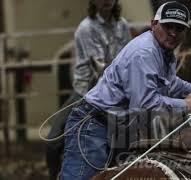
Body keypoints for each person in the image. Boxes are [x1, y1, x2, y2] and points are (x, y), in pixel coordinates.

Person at [60, 1, 191, 179]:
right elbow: (144, 105)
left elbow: (173, 83)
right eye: (168, 26)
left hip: (115, 126)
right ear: (154, 24)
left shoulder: (163, 52)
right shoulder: (144, 53)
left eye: (179, 28)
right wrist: (186, 104)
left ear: (185, 32)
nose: (173, 33)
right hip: (95, 125)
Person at [45, 0, 131, 180]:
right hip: (85, 92)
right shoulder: (86, 28)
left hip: (115, 91)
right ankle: (54, 175)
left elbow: (128, 57)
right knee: (53, 141)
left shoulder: (122, 26)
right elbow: (98, 66)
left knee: (129, 139)